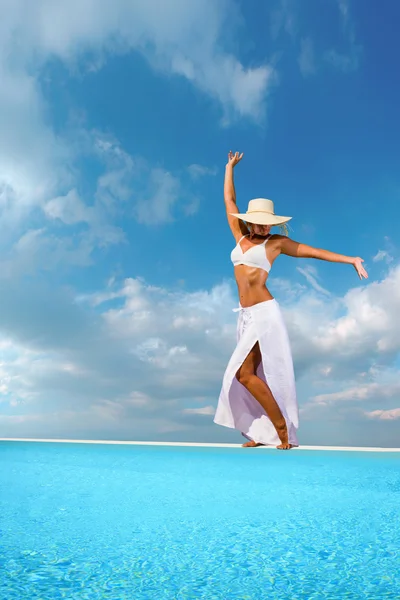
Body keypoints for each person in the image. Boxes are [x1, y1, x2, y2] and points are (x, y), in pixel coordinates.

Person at [213, 151, 368, 450]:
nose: (263, 227)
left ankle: (281, 427)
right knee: (250, 374)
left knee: (244, 373)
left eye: (267, 223)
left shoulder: (277, 243)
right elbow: (229, 201)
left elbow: (314, 252)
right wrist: (229, 168)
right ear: (250, 221)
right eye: (258, 223)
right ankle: (264, 433)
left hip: (264, 314)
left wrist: (350, 259)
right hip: (244, 316)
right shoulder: (240, 237)